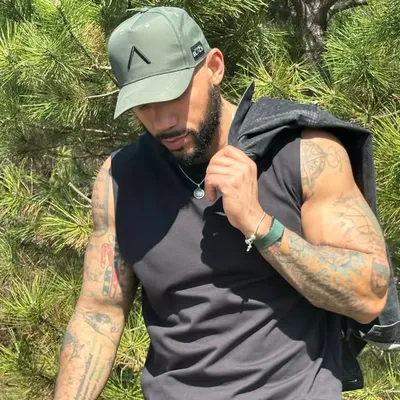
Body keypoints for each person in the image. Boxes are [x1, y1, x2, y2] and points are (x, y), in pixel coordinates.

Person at [54, 6, 391, 400]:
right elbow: (100, 312)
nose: (163, 122)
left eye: (174, 94)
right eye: (143, 105)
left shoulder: (303, 153)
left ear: (214, 66)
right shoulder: (120, 179)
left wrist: (260, 225)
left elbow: (369, 295)